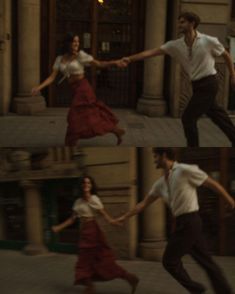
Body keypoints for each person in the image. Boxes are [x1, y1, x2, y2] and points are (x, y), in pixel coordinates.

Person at [115, 148, 235, 294]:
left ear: (164, 156)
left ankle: (197, 289)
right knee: (206, 262)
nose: (154, 160)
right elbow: (143, 204)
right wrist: (124, 217)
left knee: (169, 261)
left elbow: (212, 184)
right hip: (182, 223)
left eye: (155, 156)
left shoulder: (185, 170)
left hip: (191, 221)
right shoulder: (160, 183)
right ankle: (221, 291)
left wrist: (230, 200)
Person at [119, 11, 235, 147]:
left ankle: (193, 147)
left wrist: (233, 74)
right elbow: (152, 52)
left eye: (182, 22)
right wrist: (130, 59)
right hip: (197, 85)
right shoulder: (175, 45)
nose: (179, 25)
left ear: (192, 24)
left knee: (188, 118)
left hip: (209, 82)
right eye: (179, 22)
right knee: (217, 115)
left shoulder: (208, 41)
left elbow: (226, 55)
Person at [32, 33, 125, 146]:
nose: (77, 43)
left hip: (84, 89)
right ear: (68, 43)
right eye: (74, 41)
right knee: (91, 117)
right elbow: (52, 77)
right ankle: (115, 130)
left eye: (78, 41)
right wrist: (39, 87)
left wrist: (115, 62)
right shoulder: (59, 58)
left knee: (74, 117)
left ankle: (70, 142)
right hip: (75, 90)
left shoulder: (81, 55)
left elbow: (99, 64)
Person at [51, 175, 139, 294]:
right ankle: (91, 287)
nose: (86, 185)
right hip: (84, 232)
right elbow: (72, 219)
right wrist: (59, 227)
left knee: (98, 261)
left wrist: (114, 221)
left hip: (93, 232)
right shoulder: (78, 201)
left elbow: (104, 214)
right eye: (84, 183)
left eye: (89, 183)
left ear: (91, 186)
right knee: (87, 261)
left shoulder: (94, 199)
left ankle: (127, 278)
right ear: (81, 186)